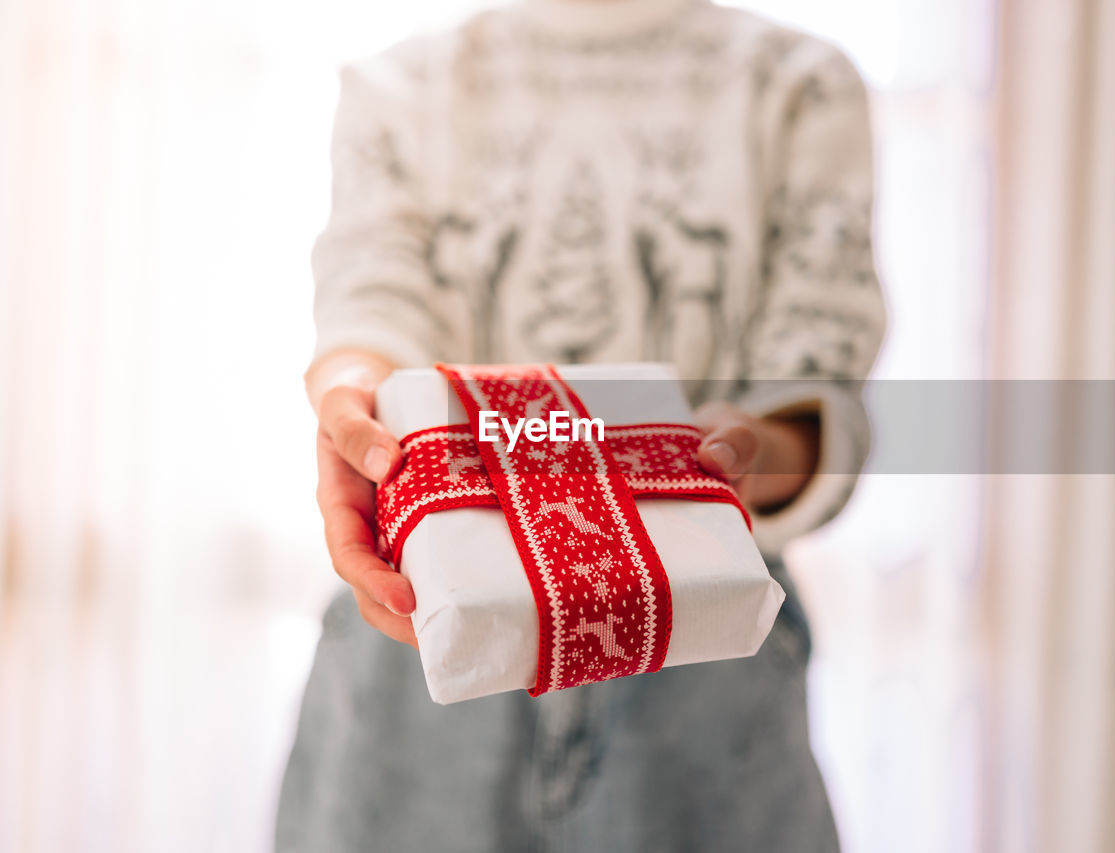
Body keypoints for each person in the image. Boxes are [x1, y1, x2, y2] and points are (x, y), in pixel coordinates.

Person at [276, 0, 885, 850]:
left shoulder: (799, 88)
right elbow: (373, 307)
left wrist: (744, 454)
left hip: (701, 658)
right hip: (418, 648)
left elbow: (817, 375)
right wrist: (351, 398)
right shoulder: (399, 86)